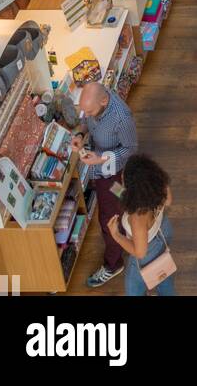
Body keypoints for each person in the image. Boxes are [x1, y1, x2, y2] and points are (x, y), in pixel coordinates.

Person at [72, 81, 138, 288]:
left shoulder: (121, 118)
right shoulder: (94, 106)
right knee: (119, 198)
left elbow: (130, 148)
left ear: (104, 100)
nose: (87, 114)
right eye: (84, 110)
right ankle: (127, 224)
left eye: (90, 111)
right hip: (106, 174)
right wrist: (81, 135)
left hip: (112, 174)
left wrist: (100, 158)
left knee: (108, 218)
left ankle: (113, 263)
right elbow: (86, 120)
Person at [108, 154, 176, 297]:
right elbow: (168, 200)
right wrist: (115, 188)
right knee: (164, 273)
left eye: (123, 178)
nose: (121, 178)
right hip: (163, 230)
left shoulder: (137, 218)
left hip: (147, 248)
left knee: (133, 288)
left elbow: (140, 252)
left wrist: (116, 235)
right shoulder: (157, 184)